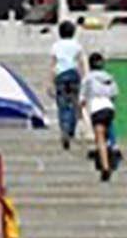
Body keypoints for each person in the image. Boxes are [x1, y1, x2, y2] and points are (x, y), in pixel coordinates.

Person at [83, 52, 120, 181]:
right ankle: (114, 148)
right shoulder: (109, 77)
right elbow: (115, 93)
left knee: (100, 139)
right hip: (109, 107)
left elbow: (82, 96)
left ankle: (105, 166)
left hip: (97, 109)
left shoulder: (88, 78)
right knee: (108, 129)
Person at [50, 20, 84, 149]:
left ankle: (64, 128)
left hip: (60, 76)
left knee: (62, 104)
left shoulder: (56, 46)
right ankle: (71, 129)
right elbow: (80, 62)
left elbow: (53, 64)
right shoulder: (77, 45)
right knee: (74, 103)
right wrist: (83, 77)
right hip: (73, 75)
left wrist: (50, 81)